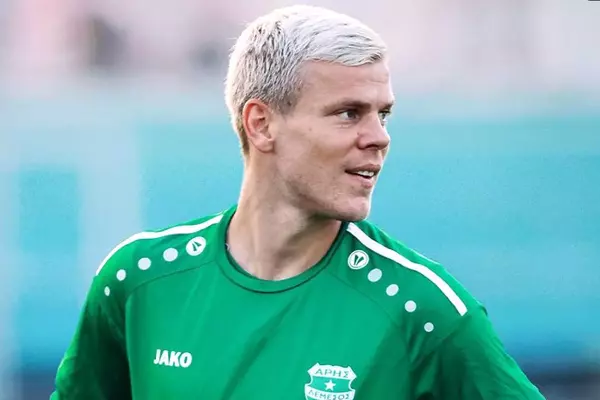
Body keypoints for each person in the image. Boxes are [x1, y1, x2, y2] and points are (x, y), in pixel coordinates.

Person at [51, 5, 546, 400]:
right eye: (348, 113)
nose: (378, 137)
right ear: (261, 124)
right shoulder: (139, 280)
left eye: (383, 114)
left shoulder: (423, 310)